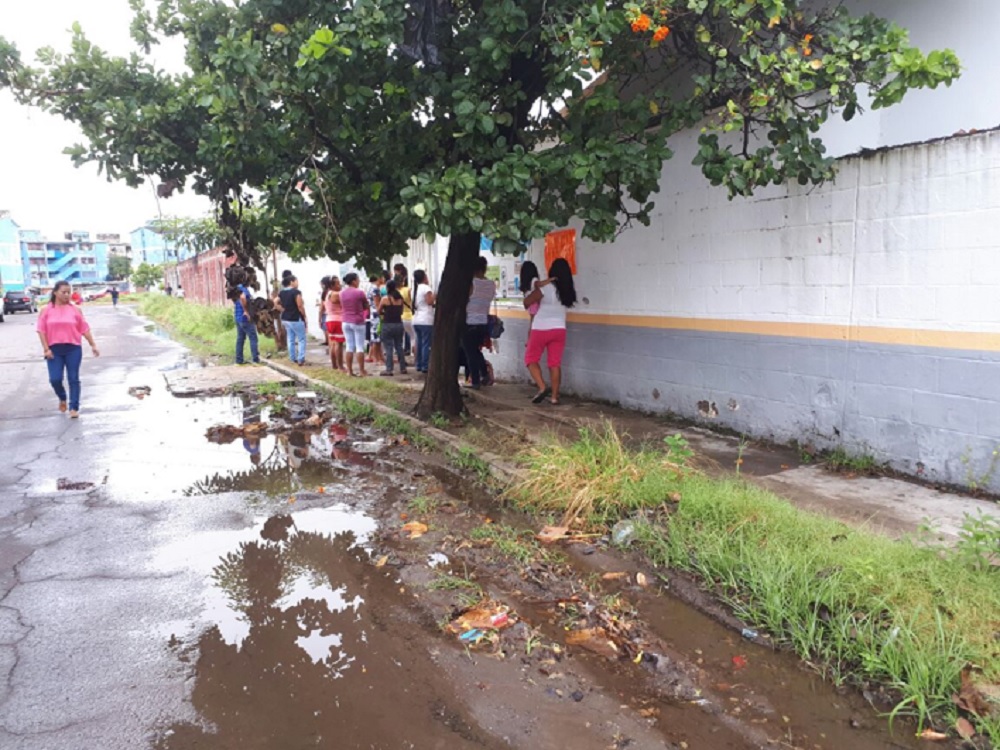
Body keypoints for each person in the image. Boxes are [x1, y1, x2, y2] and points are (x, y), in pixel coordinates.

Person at [36, 280, 100, 419]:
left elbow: (84, 329)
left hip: (73, 349)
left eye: (68, 292)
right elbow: (41, 331)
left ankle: (74, 407)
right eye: (63, 292)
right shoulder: (46, 310)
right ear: (55, 293)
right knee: (55, 379)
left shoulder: (75, 309)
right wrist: (46, 349)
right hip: (54, 350)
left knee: (73, 378)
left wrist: (93, 344)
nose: (67, 295)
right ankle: (62, 397)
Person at [522, 257, 577, 405]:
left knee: (530, 359)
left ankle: (542, 387)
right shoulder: (568, 289)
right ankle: (554, 397)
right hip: (559, 329)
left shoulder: (546, 288)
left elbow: (527, 302)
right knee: (555, 363)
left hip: (540, 328)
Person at [463, 255, 496, 390]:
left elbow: (465, 299)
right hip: (483, 322)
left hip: (469, 321)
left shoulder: (471, 283)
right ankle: (484, 373)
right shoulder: (491, 284)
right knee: (475, 350)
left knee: (470, 353)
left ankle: (475, 381)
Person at [339, 272, 370, 376]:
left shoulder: (341, 293)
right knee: (360, 347)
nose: (359, 281)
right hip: (357, 321)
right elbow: (366, 305)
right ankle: (361, 371)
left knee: (349, 346)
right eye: (358, 279)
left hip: (345, 321)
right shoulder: (360, 292)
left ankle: (349, 371)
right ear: (353, 281)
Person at [378, 279, 408, 376]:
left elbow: (379, 311)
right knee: (399, 346)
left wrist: (384, 313)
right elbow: (401, 312)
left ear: (387, 288)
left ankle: (389, 369)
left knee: (389, 347)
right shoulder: (400, 299)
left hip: (388, 324)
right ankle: (403, 368)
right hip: (399, 324)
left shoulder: (385, 299)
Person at [278, 274, 308, 365]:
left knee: (290, 338)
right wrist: (304, 316)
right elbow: (300, 305)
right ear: (291, 282)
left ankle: (292, 357)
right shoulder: (296, 292)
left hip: (285, 318)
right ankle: (301, 358)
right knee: (301, 339)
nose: (297, 283)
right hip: (295, 318)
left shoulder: (281, 292)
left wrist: (281, 309)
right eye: (296, 281)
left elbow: (275, 301)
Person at [411, 269, 435, 373]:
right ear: (424, 277)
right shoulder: (426, 288)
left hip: (417, 319)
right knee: (426, 344)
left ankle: (419, 364)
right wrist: (436, 295)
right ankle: (425, 366)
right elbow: (429, 301)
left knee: (419, 342)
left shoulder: (413, 289)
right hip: (426, 319)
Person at [233, 279, 260, 365]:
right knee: (253, 338)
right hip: (245, 318)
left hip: (238, 318)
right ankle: (255, 359)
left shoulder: (236, 289)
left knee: (240, 339)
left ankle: (239, 360)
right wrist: (246, 311)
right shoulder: (243, 289)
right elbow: (243, 297)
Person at [324, 276, 345, 371]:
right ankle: (340, 365)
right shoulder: (336, 294)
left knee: (333, 343)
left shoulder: (327, 294)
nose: (340, 285)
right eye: (337, 283)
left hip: (329, 319)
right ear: (332, 285)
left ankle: (334, 365)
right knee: (339, 344)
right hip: (337, 319)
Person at [366, 273, 384, 367]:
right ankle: (377, 358)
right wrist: (381, 313)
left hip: (371, 313)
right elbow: (377, 303)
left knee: (375, 336)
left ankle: (379, 357)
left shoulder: (369, 287)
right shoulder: (375, 289)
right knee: (377, 337)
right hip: (376, 314)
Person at [317, 276, 331, 348]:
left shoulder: (325, 293)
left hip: (326, 313)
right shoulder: (333, 291)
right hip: (333, 314)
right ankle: (327, 341)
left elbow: (322, 307)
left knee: (325, 328)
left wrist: (319, 318)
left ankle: (328, 342)